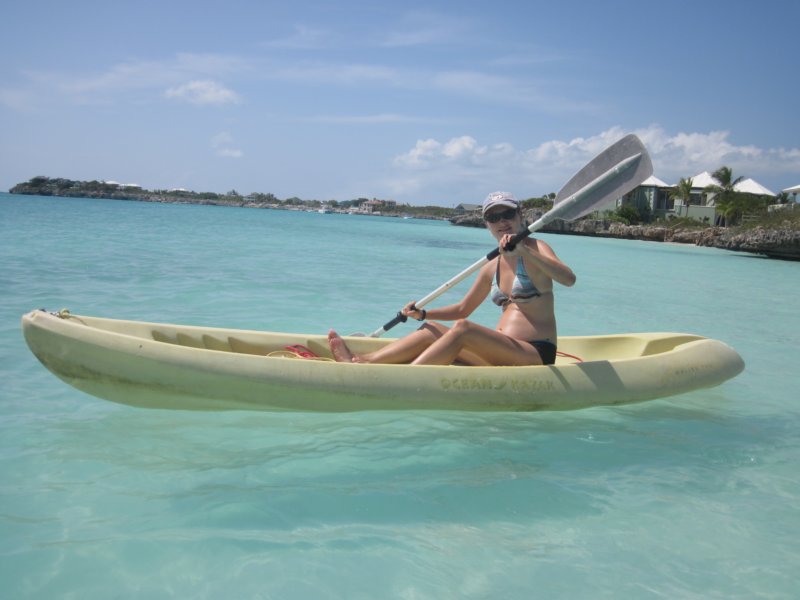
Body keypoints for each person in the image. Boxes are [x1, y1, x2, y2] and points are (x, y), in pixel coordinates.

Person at [328, 191, 576, 366]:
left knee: (464, 329)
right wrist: (423, 314)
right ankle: (365, 361)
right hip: (499, 352)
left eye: (507, 214)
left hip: (535, 353)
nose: (501, 222)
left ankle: (406, 378)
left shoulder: (536, 247)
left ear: (520, 216)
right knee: (431, 330)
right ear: (487, 224)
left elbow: (568, 279)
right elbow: (462, 309)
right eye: (493, 218)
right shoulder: (491, 266)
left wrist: (525, 251)